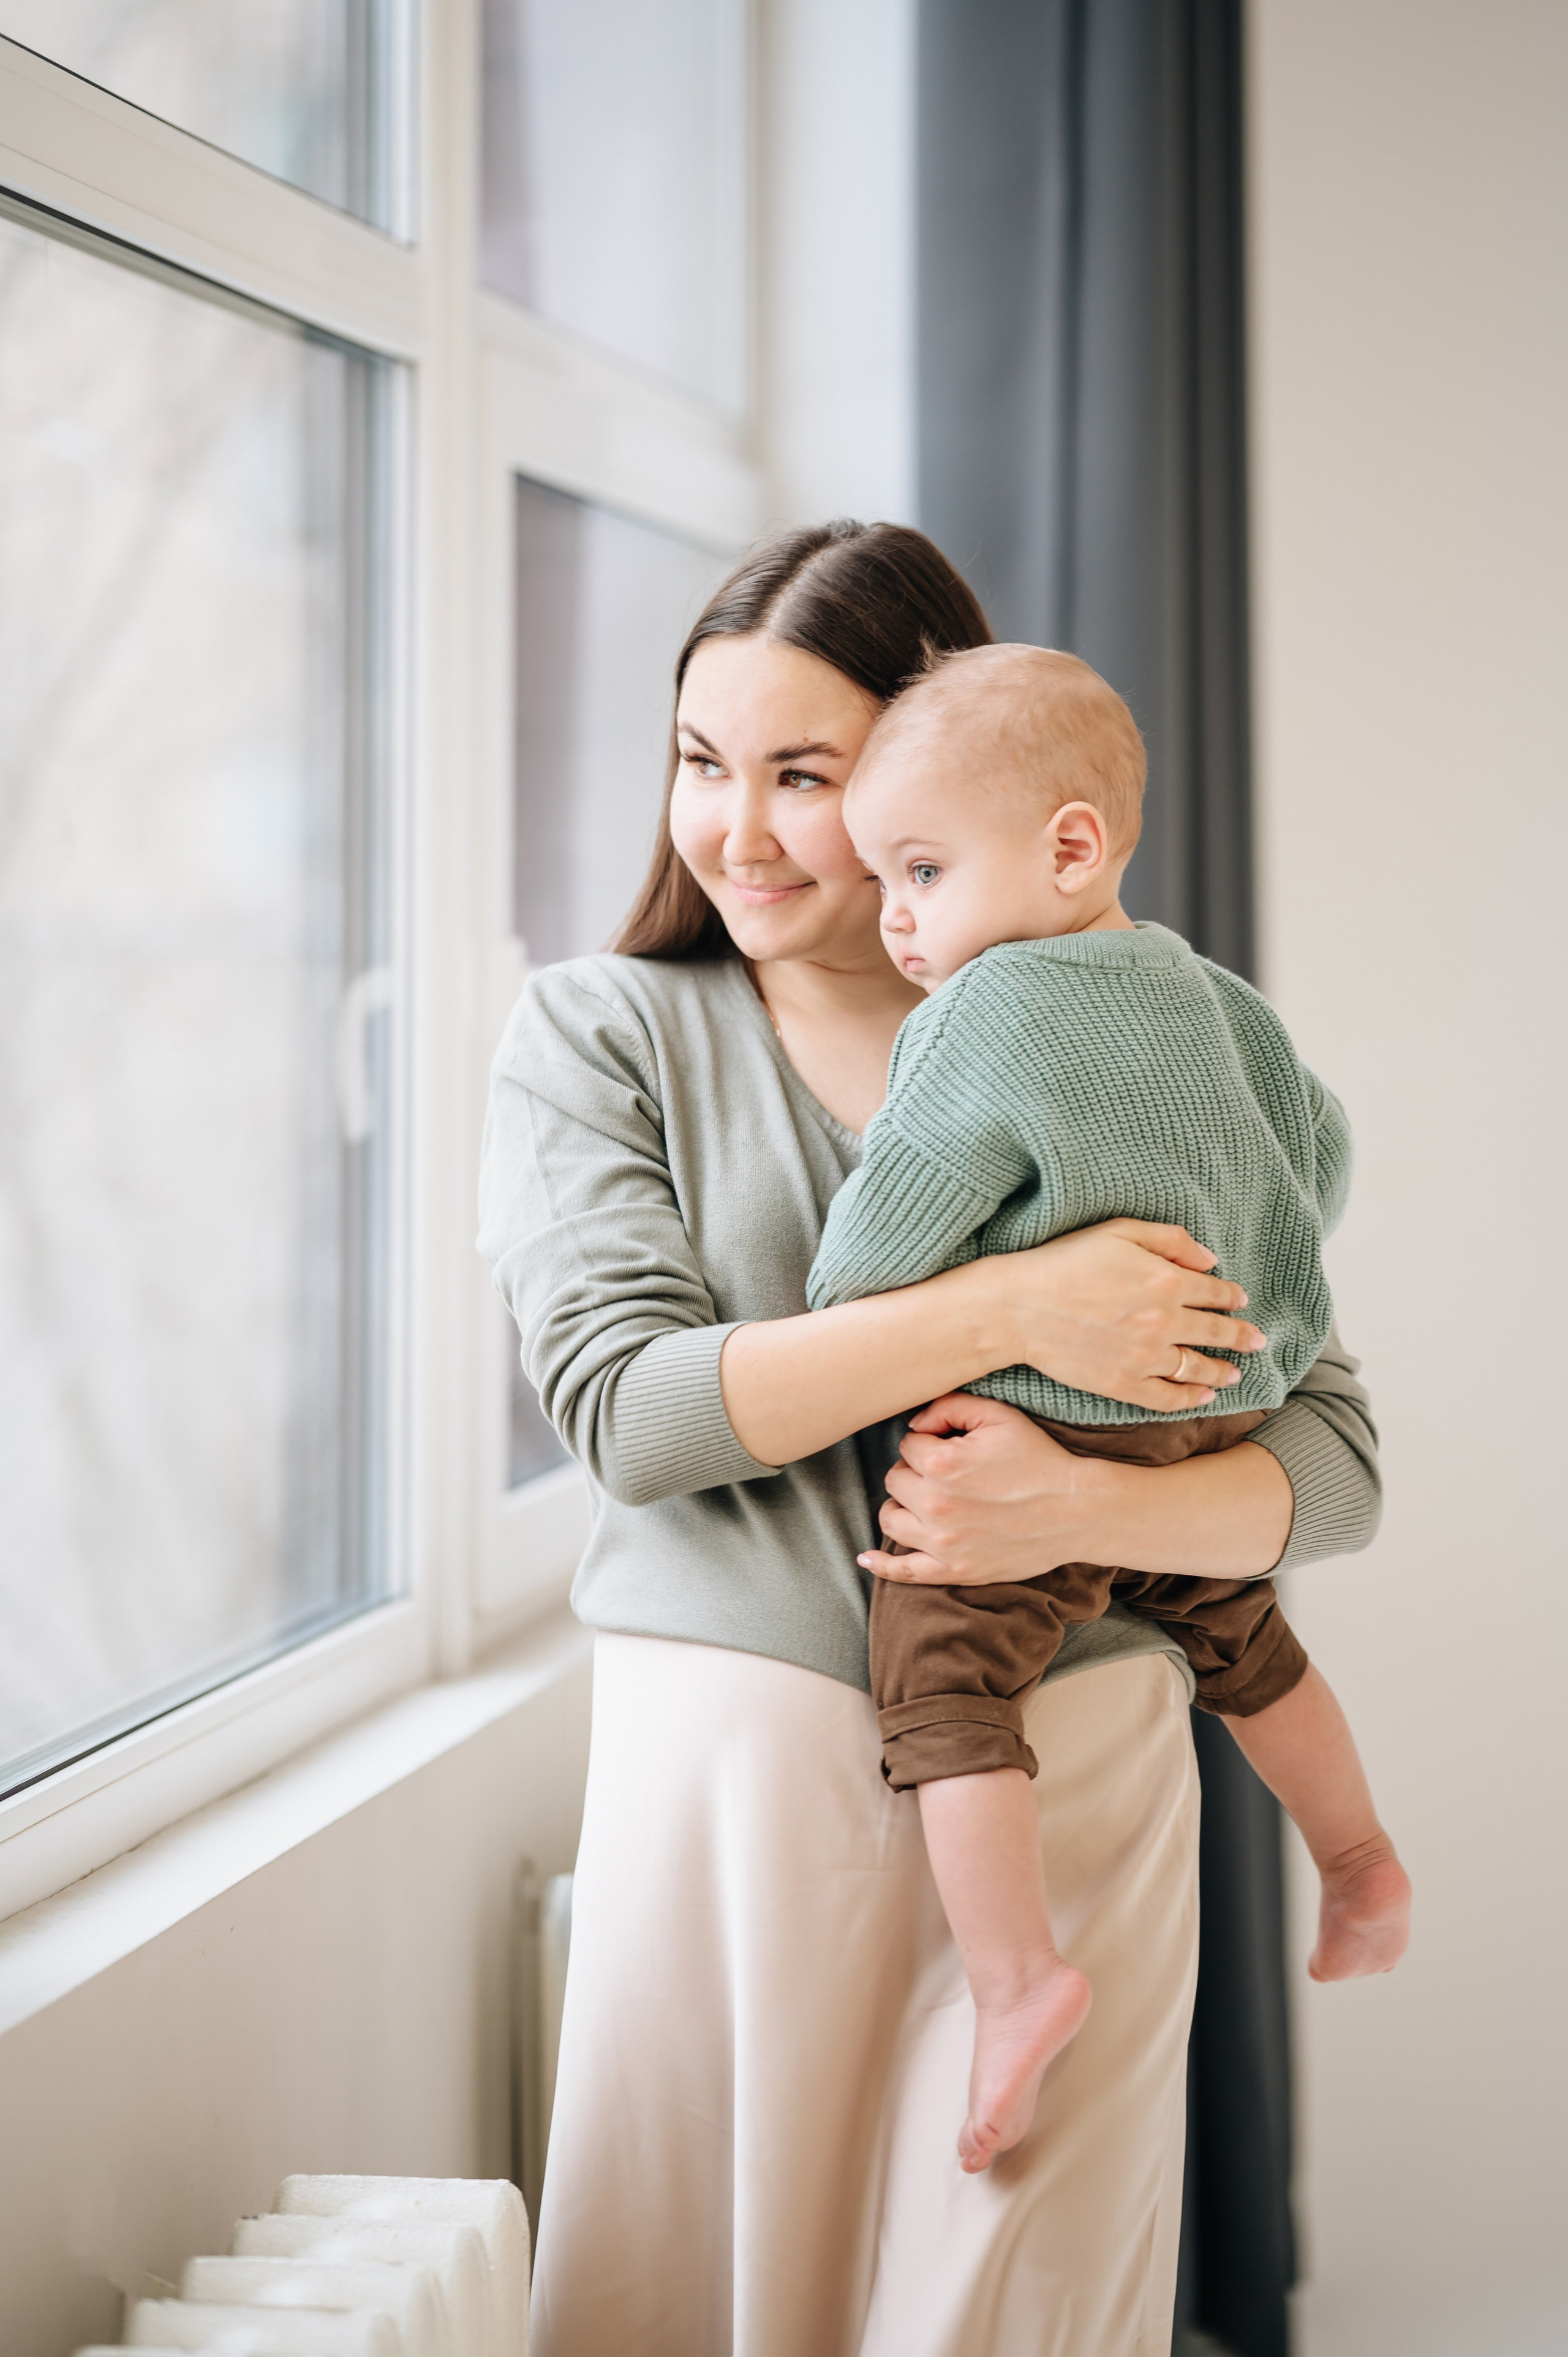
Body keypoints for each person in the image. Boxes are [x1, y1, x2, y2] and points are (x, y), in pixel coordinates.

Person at [477, 519, 1384, 2357]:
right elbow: (635, 1416)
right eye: (698, 763)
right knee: (709, 2296)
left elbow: (1339, 1465)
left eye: (801, 776)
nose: (732, 830)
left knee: (1018, 2317)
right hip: (739, 1819)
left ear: (926, 762)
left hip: (1076, 1802)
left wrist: (1064, 1492)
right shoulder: (607, 1033)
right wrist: (1008, 1315)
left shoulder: (1126, 1044)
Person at [807, 641, 1411, 2176]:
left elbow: (871, 1253)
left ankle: (1018, 1981)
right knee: (1247, 1644)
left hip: (1041, 1436)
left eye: (922, 868)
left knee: (942, 1679)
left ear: (1068, 847)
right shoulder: (1214, 997)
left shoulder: (981, 1013)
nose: (895, 916)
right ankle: (1351, 1856)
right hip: (1211, 1413)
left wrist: (866, 1287)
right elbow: (1319, 1155)